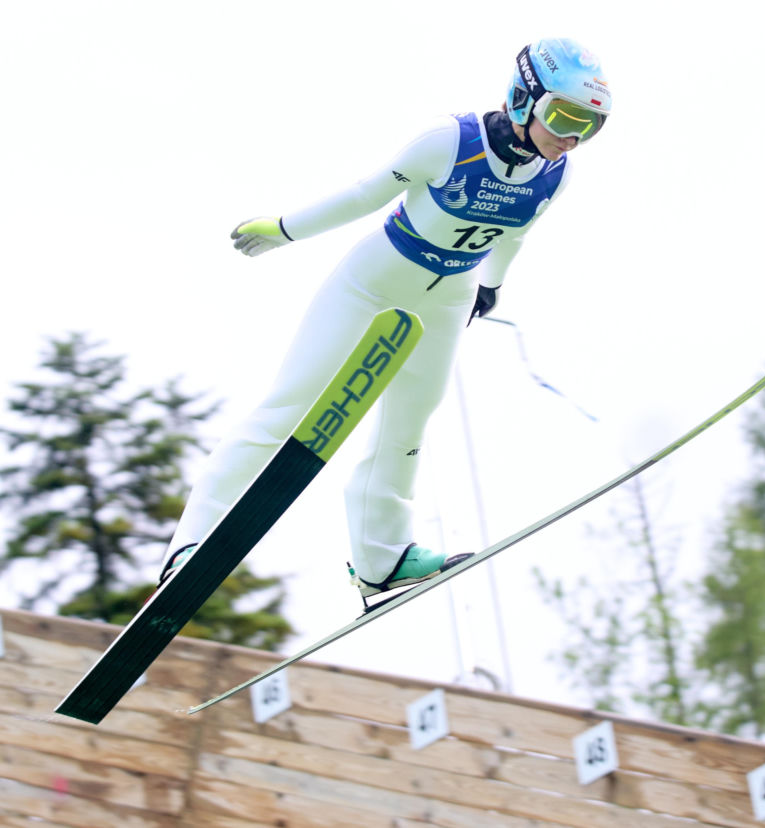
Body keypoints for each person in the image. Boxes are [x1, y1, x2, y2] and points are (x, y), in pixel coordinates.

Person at [158, 38, 612, 602]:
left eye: (589, 127)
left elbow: (515, 233)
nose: (571, 137)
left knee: (409, 423)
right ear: (524, 98)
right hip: (375, 281)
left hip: (450, 294)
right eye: (564, 117)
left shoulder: (556, 174)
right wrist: (283, 229)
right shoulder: (450, 140)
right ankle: (192, 543)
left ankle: (382, 560)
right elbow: (364, 194)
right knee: (291, 403)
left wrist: (491, 288)